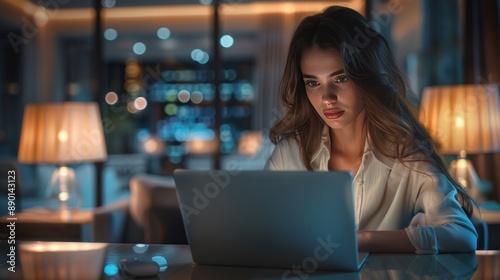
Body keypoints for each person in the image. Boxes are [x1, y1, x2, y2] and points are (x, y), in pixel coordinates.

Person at [265, 5, 478, 254]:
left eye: (340, 78)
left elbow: (462, 235)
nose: (327, 98)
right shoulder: (289, 153)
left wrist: (361, 240)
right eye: (313, 83)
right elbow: (258, 230)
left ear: (367, 76)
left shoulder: (405, 158)